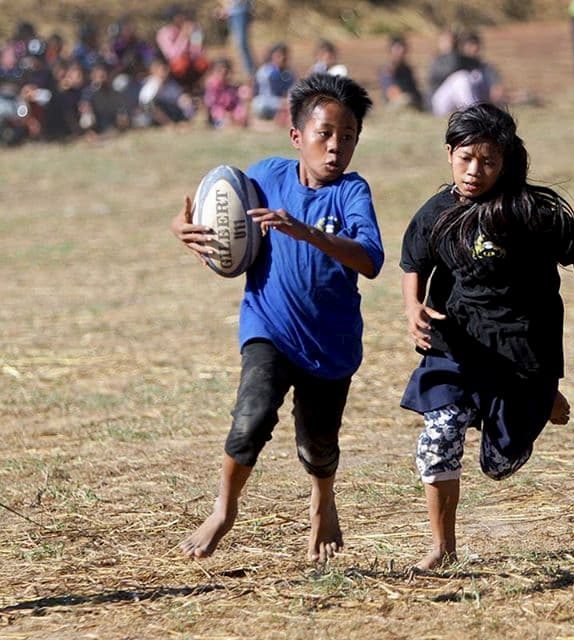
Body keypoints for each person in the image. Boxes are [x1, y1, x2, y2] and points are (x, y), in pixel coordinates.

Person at [400, 103, 574, 571]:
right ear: (449, 154)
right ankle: (443, 549)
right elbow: (413, 263)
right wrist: (411, 309)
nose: (475, 171)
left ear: (505, 161)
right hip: (455, 347)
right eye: (465, 159)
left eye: (488, 161)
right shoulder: (437, 211)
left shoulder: (528, 210)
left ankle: (540, 398)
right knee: (438, 438)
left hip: (523, 353)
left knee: (498, 464)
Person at [171, 73, 384, 563]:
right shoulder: (264, 178)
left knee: (318, 445)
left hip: (330, 344)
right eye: (324, 134)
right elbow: (215, 215)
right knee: (251, 417)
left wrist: (308, 232)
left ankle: (322, 499)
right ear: (297, 137)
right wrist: (181, 229)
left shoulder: (351, 192)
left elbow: (371, 260)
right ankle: (225, 508)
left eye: (347, 138)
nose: (336, 148)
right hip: (269, 326)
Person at [155, 5, 209, 93]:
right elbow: (173, 54)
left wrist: (197, 33)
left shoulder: (189, 28)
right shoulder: (164, 33)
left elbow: (197, 50)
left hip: (191, 61)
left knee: (202, 63)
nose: (183, 18)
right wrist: (183, 36)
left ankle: (195, 87)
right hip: (173, 65)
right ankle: (183, 89)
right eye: (179, 16)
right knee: (181, 63)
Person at [251, 42, 296, 126]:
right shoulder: (266, 72)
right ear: (272, 56)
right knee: (260, 105)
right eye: (279, 56)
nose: (282, 58)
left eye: (284, 56)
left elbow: (291, 92)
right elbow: (267, 96)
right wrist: (283, 103)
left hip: (284, 103)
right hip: (266, 102)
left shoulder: (289, 73)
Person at [378, 35, 423, 111]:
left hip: (412, 103)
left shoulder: (407, 70)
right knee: (406, 100)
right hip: (396, 105)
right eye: (397, 48)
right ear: (391, 50)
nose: (401, 52)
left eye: (403, 48)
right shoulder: (387, 70)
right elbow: (393, 94)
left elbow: (415, 91)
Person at [204, 57, 249, 128]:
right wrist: (224, 115)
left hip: (233, 116)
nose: (222, 73)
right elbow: (212, 106)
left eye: (225, 71)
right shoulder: (211, 86)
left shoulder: (231, 88)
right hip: (218, 117)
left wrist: (239, 114)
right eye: (219, 70)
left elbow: (237, 104)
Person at [218, 0, 255, 79]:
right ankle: (246, 71)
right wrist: (224, 8)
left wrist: (227, 8)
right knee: (237, 44)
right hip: (232, 13)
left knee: (242, 43)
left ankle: (250, 72)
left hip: (241, 11)